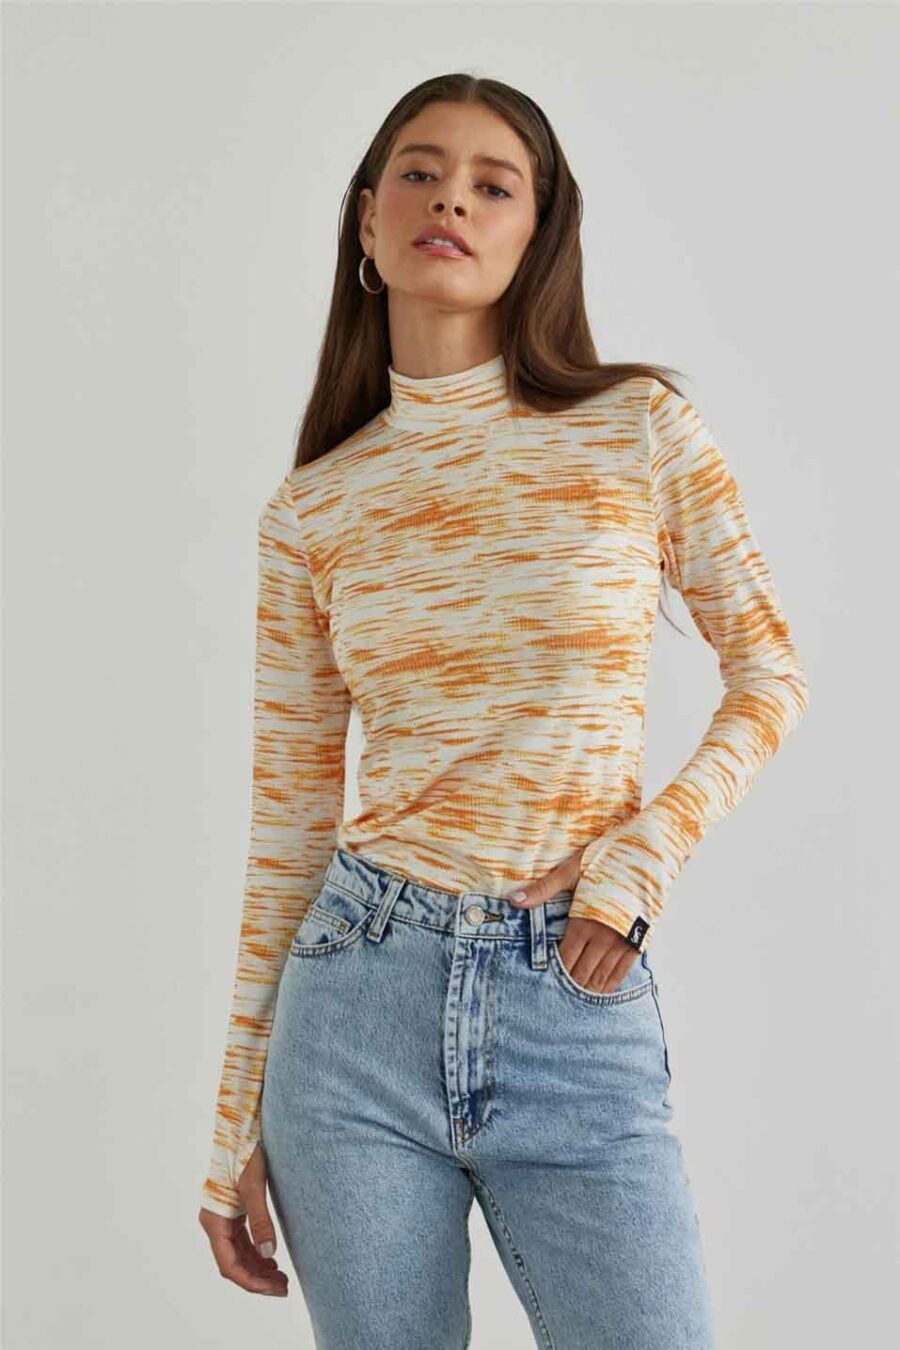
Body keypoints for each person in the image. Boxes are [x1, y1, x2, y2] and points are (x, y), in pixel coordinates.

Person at [198, 73, 809, 1349]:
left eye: (493, 185)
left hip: (570, 997)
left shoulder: (638, 430)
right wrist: (231, 1118)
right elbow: (289, 822)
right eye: (420, 175)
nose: (452, 203)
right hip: (354, 1007)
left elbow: (770, 674)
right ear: (368, 220)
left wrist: (641, 855)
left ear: (538, 234)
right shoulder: (314, 508)